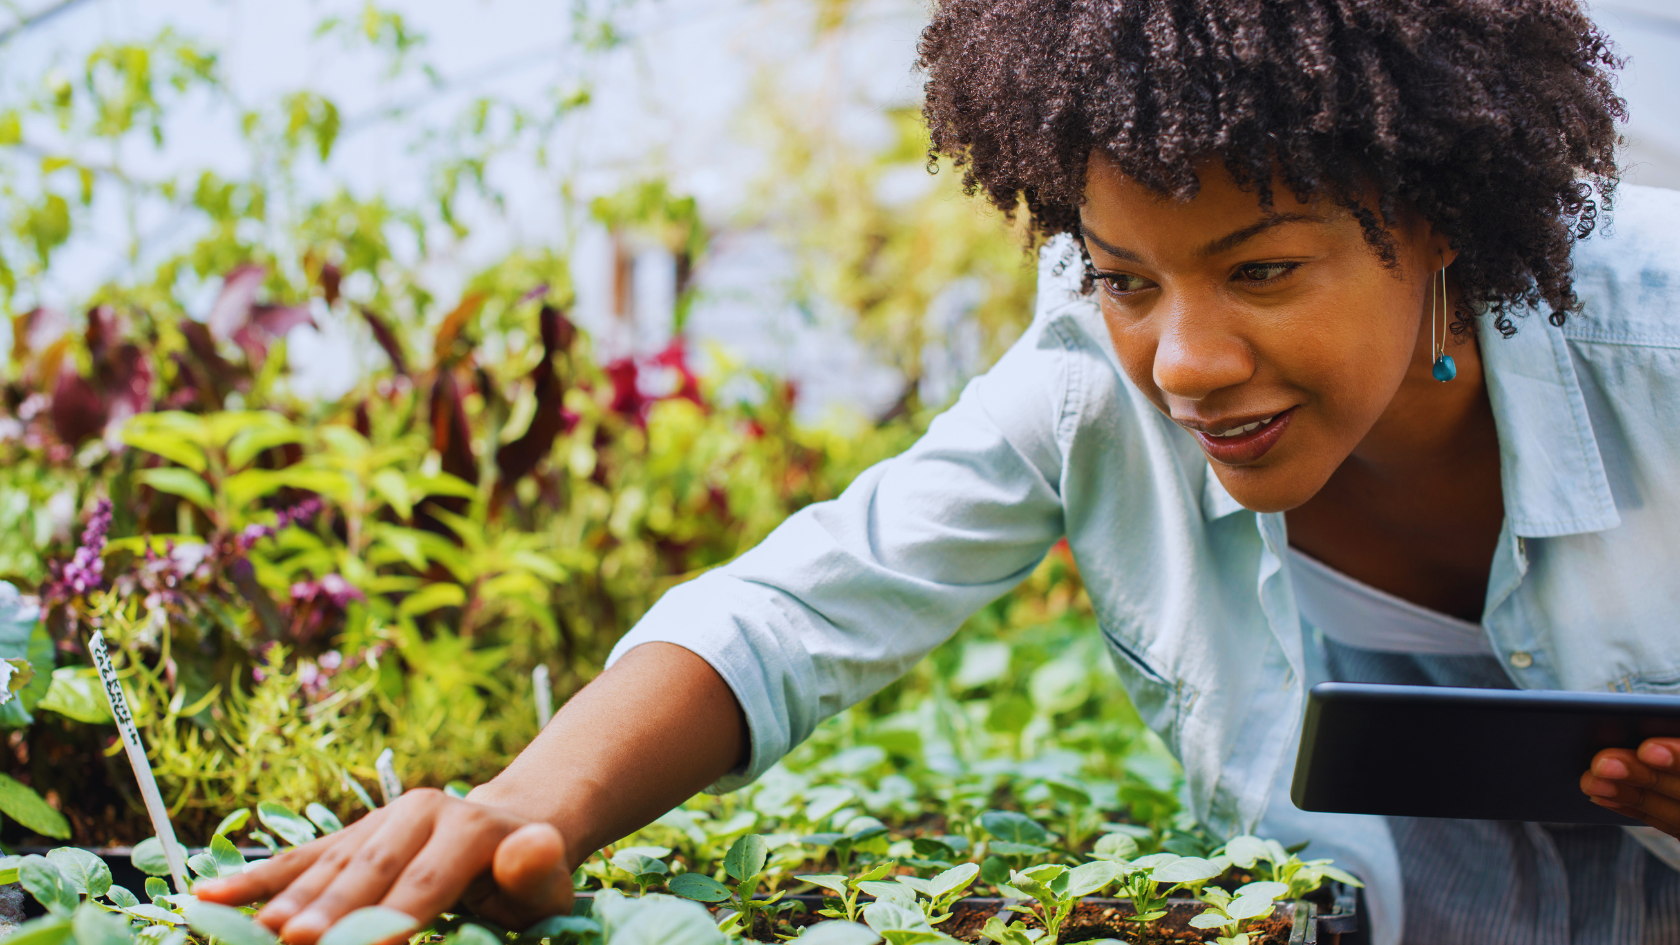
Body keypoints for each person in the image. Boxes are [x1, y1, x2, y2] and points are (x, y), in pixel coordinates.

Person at [197, 1, 1680, 942]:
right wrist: (519, 805)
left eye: (1263, 270)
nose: (1181, 360)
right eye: (1126, 277)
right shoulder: (1085, 386)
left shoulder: (1657, 340)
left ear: (1435, 222)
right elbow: (806, 604)